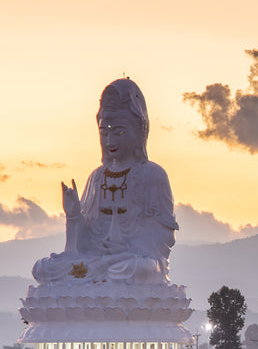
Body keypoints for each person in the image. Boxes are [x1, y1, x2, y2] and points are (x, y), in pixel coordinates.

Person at [32, 78, 178, 286]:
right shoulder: (97, 177)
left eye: (119, 132)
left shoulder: (153, 175)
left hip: (129, 262)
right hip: (95, 260)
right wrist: (74, 215)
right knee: (43, 268)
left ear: (138, 132)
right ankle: (94, 277)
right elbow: (83, 244)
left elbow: (163, 238)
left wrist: (129, 249)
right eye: (104, 132)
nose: (110, 141)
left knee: (136, 269)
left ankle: (100, 276)